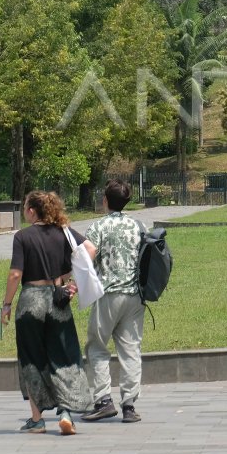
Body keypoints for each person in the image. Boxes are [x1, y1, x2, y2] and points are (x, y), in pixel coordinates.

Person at [0, 191, 96, 435]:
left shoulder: (22, 237)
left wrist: (7, 304)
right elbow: (90, 249)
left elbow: (15, 274)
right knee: (62, 355)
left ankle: (36, 420)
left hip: (31, 299)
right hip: (57, 299)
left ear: (32, 210)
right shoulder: (62, 231)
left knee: (31, 359)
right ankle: (65, 412)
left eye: (25, 207)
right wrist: (67, 278)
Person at [81, 180, 146, 424]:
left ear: (105, 200)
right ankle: (129, 405)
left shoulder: (98, 226)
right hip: (134, 297)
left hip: (107, 295)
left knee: (97, 346)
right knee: (130, 349)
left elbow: (87, 257)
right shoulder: (138, 225)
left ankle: (103, 401)